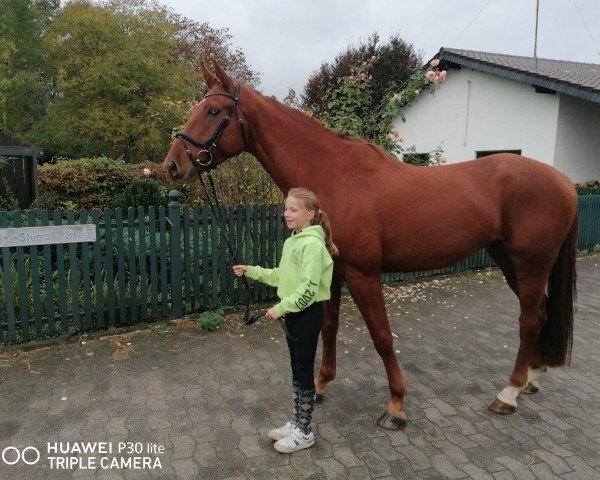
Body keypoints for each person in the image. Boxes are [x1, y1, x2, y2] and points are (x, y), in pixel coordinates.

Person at [233, 187, 338, 454]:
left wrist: (281, 308)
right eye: (285, 208)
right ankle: (297, 422)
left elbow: (309, 289)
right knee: (297, 369)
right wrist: (251, 270)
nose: (286, 214)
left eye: (293, 209)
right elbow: (282, 276)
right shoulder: (294, 240)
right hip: (294, 314)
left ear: (310, 214)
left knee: (304, 372)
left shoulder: (312, 244)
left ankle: (305, 432)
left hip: (306, 314)